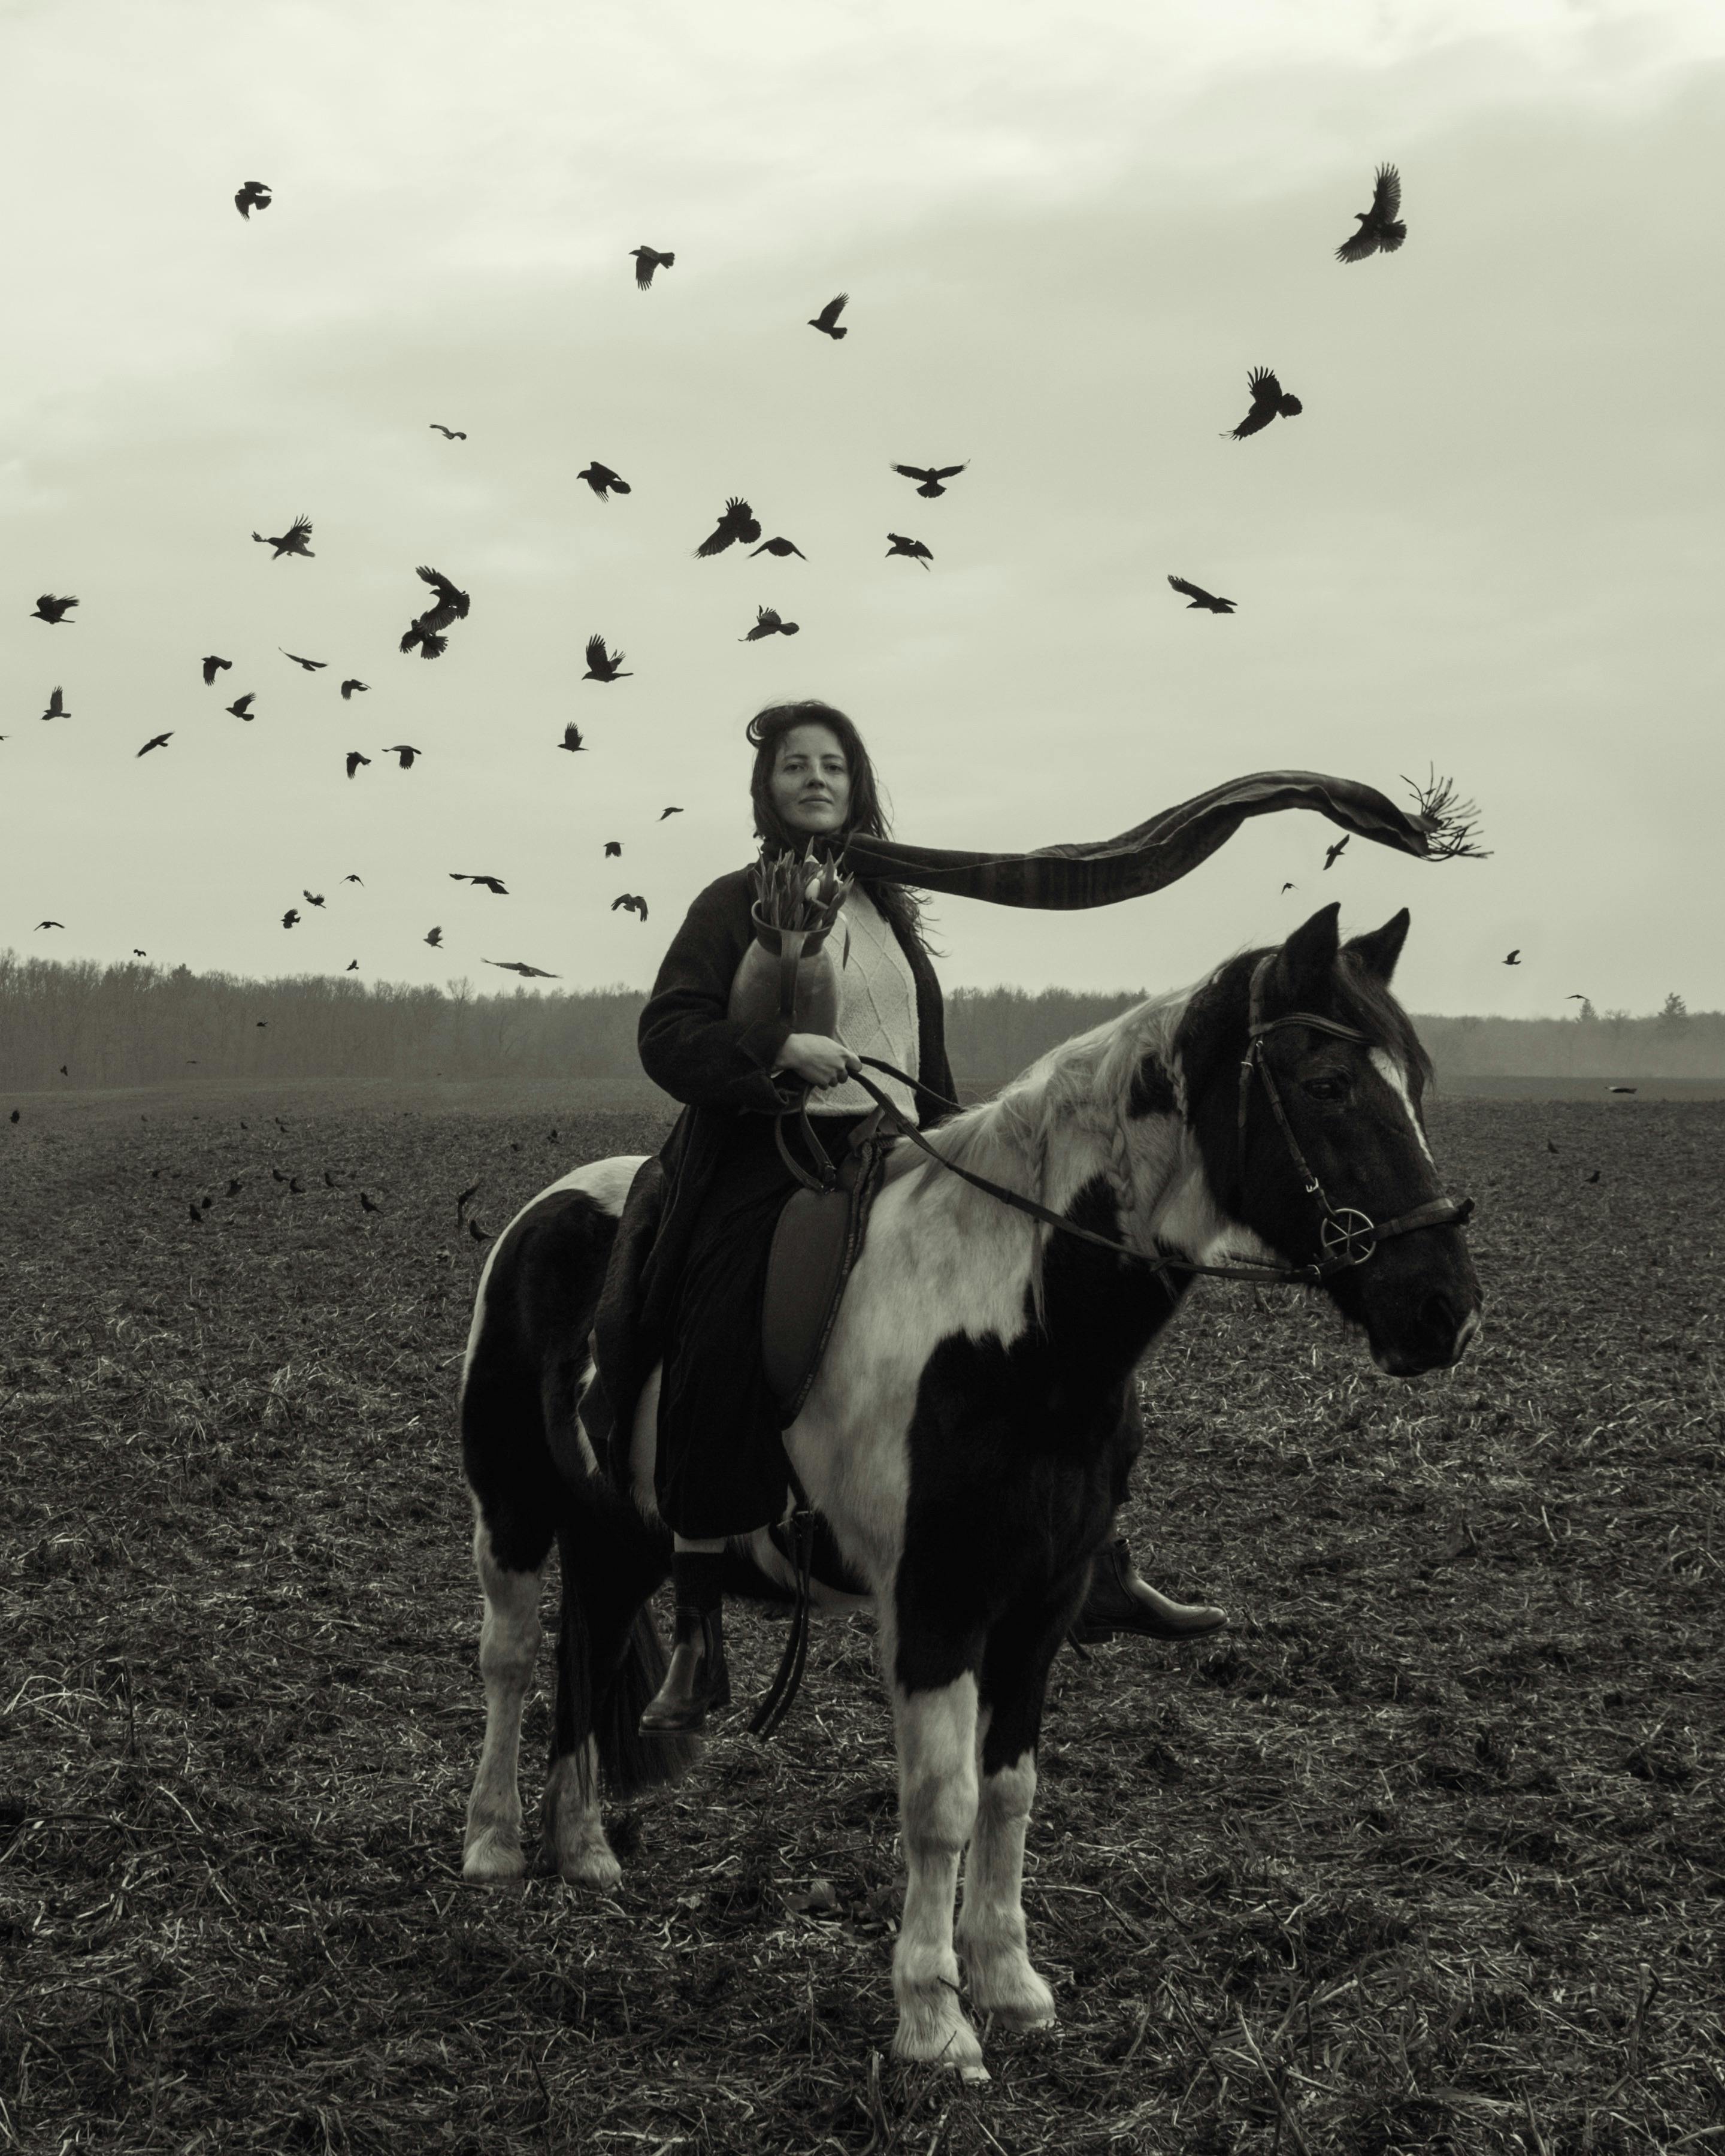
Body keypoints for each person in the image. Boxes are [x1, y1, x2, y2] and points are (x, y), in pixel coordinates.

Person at [632, 699, 1224, 1736]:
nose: (814, 780)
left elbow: (928, 1061)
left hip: (906, 1150)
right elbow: (668, 1033)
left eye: (833, 766)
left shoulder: (890, 912)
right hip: (772, 1154)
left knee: (1063, 1317)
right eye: (793, 768)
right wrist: (771, 1055)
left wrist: (983, 1153)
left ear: (858, 786)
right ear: (765, 790)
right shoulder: (732, 901)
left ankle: (1093, 1556)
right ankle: (694, 1629)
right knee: (721, 1319)